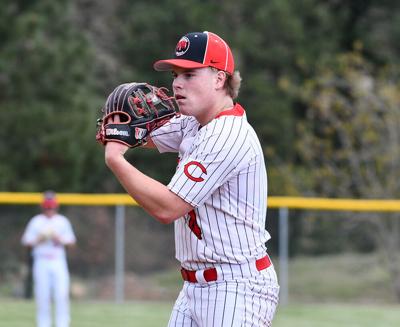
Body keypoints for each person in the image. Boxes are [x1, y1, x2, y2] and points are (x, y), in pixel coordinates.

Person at [103, 31, 279, 326]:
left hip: (235, 288)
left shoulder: (227, 136)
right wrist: (121, 124)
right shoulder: (193, 123)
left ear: (219, 78)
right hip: (196, 286)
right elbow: (139, 133)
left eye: (189, 74)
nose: (176, 83)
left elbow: (167, 208)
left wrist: (115, 159)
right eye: (175, 74)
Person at [21, 191, 76, 327]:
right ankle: (43, 324)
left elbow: (71, 242)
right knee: (42, 295)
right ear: (42, 207)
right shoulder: (36, 221)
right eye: (47, 207)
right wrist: (39, 238)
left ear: (56, 206)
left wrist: (58, 238)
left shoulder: (62, 221)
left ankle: (62, 324)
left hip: (58, 261)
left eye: (51, 206)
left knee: (61, 295)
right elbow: (26, 242)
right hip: (41, 261)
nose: (49, 209)